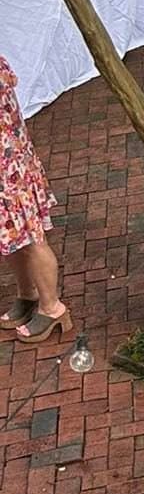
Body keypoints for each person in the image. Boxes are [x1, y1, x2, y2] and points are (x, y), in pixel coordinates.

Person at [0, 55, 70, 347]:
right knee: (13, 240)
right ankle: (27, 295)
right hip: (10, 168)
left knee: (30, 240)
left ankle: (52, 308)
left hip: (8, 171)